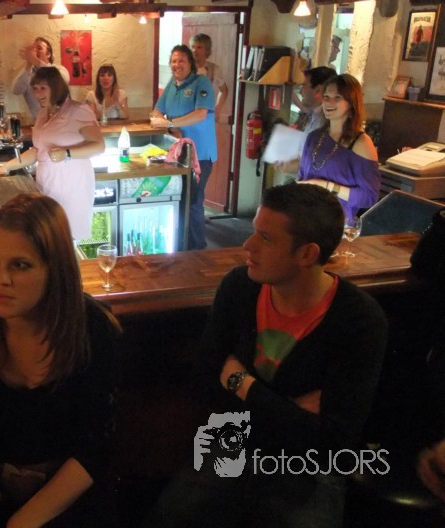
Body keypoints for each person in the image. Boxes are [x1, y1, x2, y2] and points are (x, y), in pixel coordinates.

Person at [145, 183, 388, 528]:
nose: (248, 244)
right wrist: (291, 410)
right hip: (232, 437)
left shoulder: (359, 319)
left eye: (266, 238)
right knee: (169, 519)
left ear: (307, 254)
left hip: (307, 464)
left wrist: (241, 382)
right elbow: (204, 380)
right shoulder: (239, 287)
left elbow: (332, 442)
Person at [0, 193, 121, 528]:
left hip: (64, 501)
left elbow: (95, 448)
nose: (0, 279)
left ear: (56, 270)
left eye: (19, 265)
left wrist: (21, 523)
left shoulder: (94, 330)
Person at [0, 67, 104, 240]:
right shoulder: (43, 113)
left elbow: (99, 146)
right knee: (49, 235)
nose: (37, 93)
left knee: (65, 236)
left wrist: (67, 153)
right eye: (35, 88)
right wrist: (7, 166)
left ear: (56, 87)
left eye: (43, 88)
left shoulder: (78, 110)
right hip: (46, 184)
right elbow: (38, 151)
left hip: (72, 186)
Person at [150, 44, 216, 250]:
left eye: (181, 61)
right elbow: (157, 111)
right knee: (179, 200)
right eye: (173, 61)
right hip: (177, 154)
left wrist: (170, 123)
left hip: (200, 155)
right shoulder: (172, 84)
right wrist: (167, 125)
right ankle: (181, 247)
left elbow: (201, 114)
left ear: (190, 63)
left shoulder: (201, 82)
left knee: (194, 202)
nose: (176, 65)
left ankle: (198, 250)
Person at [297, 73, 380, 222]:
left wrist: (326, 186)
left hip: (336, 224)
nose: (329, 102)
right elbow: (302, 179)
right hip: (306, 219)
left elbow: (369, 197)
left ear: (351, 103)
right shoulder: (314, 137)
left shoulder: (361, 143)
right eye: (326, 97)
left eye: (337, 98)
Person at [275, 66, 335, 177]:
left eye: (304, 86)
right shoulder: (314, 114)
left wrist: (290, 166)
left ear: (318, 90)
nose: (301, 91)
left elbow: (315, 165)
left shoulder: (324, 124)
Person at [13, 37, 70, 120]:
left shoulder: (60, 69)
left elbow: (60, 79)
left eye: (39, 48)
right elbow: (17, 91)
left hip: (61, 120)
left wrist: (34, 60)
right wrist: (28, 65)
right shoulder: (29, 73)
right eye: (33, 49)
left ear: (48, 54)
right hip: (38, 121)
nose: (35, 51)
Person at [189, 33, 228, 118]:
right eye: (193, 47)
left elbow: (224, 91)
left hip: (204, 115)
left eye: (199, 47)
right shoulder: (184, 68)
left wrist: (217, 109)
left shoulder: (213, 69)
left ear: (207, 50)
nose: (195, 50)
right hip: (186, 114)